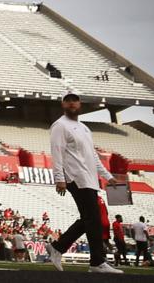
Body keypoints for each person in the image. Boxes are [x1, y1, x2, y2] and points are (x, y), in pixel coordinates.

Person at [46, 93, 121, 274]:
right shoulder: (60, 125)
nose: (72, 103)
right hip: (75, 177)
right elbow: (56, 152)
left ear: (80, 104)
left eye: (75, 100)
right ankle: (96, 262)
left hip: (90, 178)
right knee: (93, 219)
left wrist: (107, 176)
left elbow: (93, 156)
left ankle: (57, 247)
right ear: (63, 104)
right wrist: (59, 178)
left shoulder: (85, 128)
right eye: (68, 100)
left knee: (89, 219)